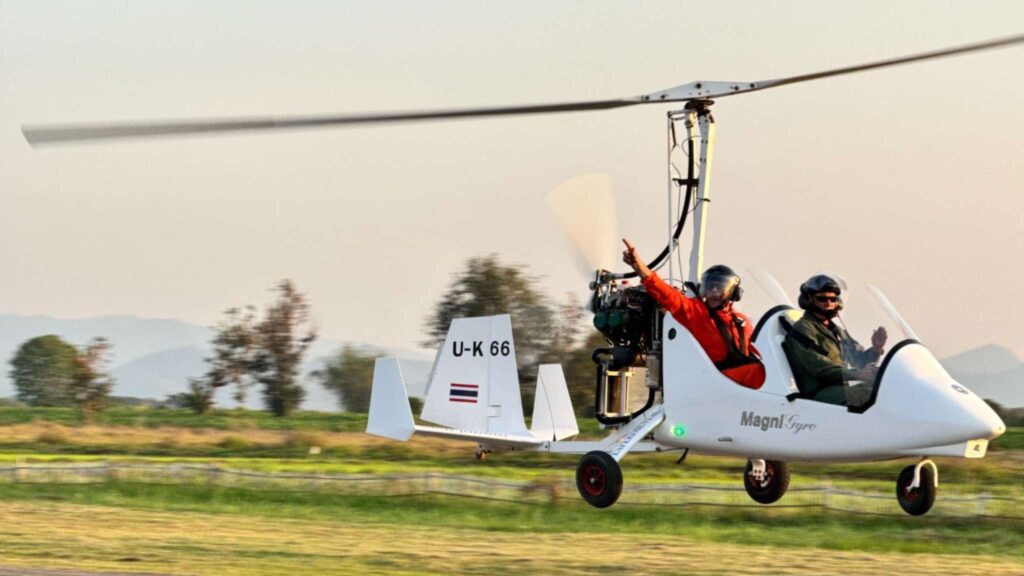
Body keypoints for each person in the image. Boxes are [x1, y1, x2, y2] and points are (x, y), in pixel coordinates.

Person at [621, 239, 765, 389]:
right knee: (759, 373)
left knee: (770, 372)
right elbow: (667, 294)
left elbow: (762, 350)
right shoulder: (696, 312)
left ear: (733, 292)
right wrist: (639, 266)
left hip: (742, 382)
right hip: (717, 380)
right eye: (710, 286)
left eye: (719, 287)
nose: (714, 291)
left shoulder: (741, 321)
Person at [782, 274, 888, 406]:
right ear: (809, 300)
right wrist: (857, 375)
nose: (828, 303)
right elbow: (819, 367)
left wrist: (876, 349)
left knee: (886, 391)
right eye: (822, 299)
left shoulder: (837, 331)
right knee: (866, 396)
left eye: (832, 299)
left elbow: (858, 360)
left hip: (840, 389)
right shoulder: (803, 329)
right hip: (818, 393)